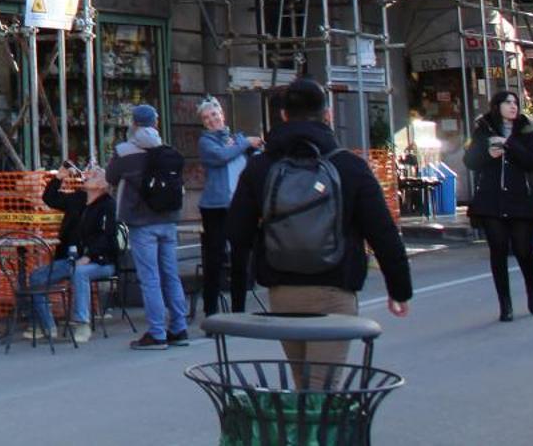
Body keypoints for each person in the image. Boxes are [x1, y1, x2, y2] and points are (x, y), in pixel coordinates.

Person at [226, 78, 411, 386]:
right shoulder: (349, 166)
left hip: (281, 291)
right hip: (334, 289)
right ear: (328, 115)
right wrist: (399, 288)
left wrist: (237, 297)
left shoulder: (260, 167)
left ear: (283, 116)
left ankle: (303, 435)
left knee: (304, 384)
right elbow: (382, 232)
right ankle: (317, 436)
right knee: (323, 391)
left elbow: (237, 231)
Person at [105, 103, 190, 349]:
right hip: (168, 219)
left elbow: (111, 178)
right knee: (170, 274)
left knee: (150, 278)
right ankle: (179, 327)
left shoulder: (124, 151)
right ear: (156, 123)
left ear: (133, 124)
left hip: (142, 222)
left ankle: (157, 333)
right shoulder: (168, 150)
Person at [463, 90, 533, 320]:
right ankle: (505, 304)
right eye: (507, 102)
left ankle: (532, 289)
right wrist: (488, 153)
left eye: (515, 103)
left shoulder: (527, 130)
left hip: (520, 199)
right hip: (491, 200)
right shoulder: (483, 130)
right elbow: (469, 161)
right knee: (497, 250)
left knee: (522, 250)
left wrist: (509, 145)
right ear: (496, 106)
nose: (513, 106)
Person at [26, 165, 121, 345]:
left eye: (93, 176)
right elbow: (50, 198)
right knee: (37, 277)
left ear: (102, 185)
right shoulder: (78, 199)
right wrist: (58, 178)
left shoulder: (108, 205)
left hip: (101, 262)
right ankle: (47, 326)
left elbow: (107, 236)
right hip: (70, 259)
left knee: (80, 273)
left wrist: (90, 256)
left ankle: (82, 323)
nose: (87, 176)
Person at [197, 96, 261, 315]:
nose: (212, 120)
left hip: (239, 206)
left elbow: (256, 158)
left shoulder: (236, 139)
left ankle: (239, 312)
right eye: (206, 118)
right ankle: (211, 314)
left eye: (214, 114)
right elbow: (221, 156)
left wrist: (254, 145)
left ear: (222, 115)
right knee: (213, 261)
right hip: (214, 208)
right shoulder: (206, 142)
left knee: (240, 261)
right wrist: (245, 143)